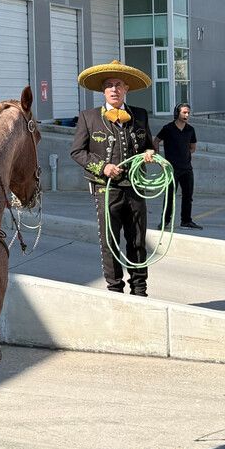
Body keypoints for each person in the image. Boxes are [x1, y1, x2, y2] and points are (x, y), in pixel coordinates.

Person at [70, 60, 156, 296]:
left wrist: (150, 153)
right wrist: (102, 167)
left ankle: (140, 290)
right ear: (103, 90)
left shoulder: (139, 115)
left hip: (136, 188)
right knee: (110, 243)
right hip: (105, 190)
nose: (114, 89)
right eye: (109, 85)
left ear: (126, 88)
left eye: (118, 85)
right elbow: (77, 151)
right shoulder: (88, 117)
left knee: (138, 241)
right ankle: (114, 290)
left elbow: (150, 146)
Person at [154, 103, 202, 229]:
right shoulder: (168, 128)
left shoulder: (190, 129)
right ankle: (165, 221)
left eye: (188, 113)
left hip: (187, 168)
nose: (187, 115)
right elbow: (156, 141)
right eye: (184, 112)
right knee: (169, 196)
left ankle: (186, 220)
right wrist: (159, 158)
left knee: (188, 196)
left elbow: (193, 148)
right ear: (177, 113)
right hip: (171, 169)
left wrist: (184, 153)